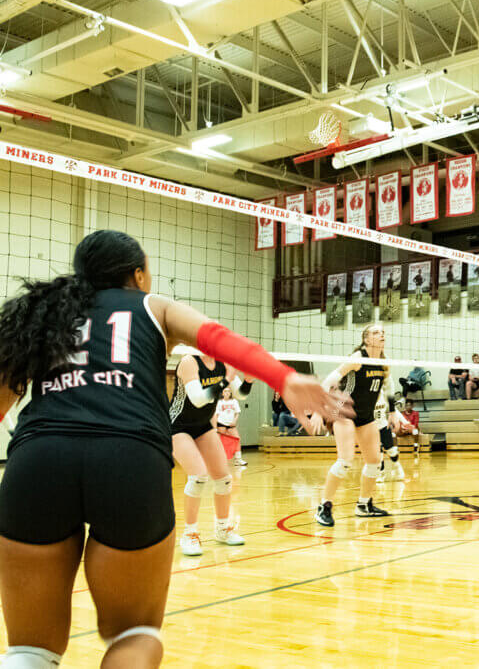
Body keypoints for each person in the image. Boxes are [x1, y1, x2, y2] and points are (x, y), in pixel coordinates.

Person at [0, 230, 344, 668]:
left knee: (29, 651)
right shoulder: (153, 305)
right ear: (138, 274)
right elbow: (218, 338)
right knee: (134, 637)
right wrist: (284, 377)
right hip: (128, 459)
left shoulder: (42, 315)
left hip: (40, 459)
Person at [310, 324, 395, 527]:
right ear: (366, 339)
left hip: (366, 415)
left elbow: (390, 387)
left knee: (375, 461)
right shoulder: (357, 358)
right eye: (375, 332)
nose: (381, 334)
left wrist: (393, 413)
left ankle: (364, 505)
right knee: (346, 460)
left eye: (382, 332)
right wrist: (316, 411)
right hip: (343, 411)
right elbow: (329, 382)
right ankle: (324, 506)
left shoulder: (383, 363)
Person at [169, 355, 250, 556]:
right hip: (177, 426)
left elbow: (240, 394)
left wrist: (248, 380)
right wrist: (225, 380)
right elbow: (197, 399)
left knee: (224, 479)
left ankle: (222, 529)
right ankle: (190, 534)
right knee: (198, 476)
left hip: (203, 426)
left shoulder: (225, 364)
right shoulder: (190, 362)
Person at [214, 386, 247, 467]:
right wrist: (215, 426)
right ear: (222, 393)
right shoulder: (219, 402)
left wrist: (234, 421)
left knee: (237, 439)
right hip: (221, 423)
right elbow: (216, 415)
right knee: (220, 442)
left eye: (229, 391)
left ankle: (238, 460)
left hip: (231, 424)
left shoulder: (234, 401)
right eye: (225, 391)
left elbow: (237, 413)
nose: (227, 393)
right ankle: (218, 460)